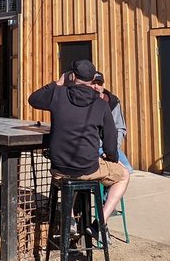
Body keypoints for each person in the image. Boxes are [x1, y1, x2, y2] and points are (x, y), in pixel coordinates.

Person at [28, 59, 129, 241]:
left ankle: (70, 219)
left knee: (71, 178)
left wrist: (58, 82)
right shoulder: (101, 104)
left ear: (72, 76)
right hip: (88, 168)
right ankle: (100, 223)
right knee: (124, 175)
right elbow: (110, 140)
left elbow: (33, 99)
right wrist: (112, 158)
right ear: (93, 79)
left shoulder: (58, 95)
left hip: (59, 170)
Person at [91, 72, 134, 174]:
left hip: (110, 147)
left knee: (127, 170)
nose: (96, 86)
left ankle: (109, 190)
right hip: (91, 147)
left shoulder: (113, 102)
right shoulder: (84, 101)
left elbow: (120, 128)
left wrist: (114, 148)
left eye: (99, 83)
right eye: (93, 83)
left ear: (103, 85)